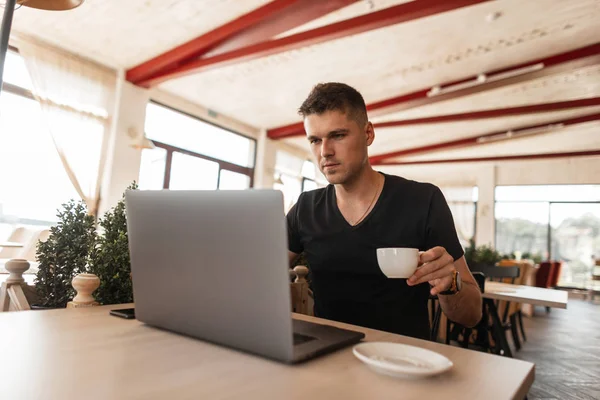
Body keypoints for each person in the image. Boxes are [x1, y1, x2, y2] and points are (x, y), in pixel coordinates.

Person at [286, 82, 482, 340]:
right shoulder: (306, 208)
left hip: (403, 363)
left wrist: (451, 283)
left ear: (368, 134)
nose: (325, 152)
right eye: (315, 140)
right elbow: (258, 273)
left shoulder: (423, 200)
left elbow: (472, 315)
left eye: (338, 135)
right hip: (328, 358)